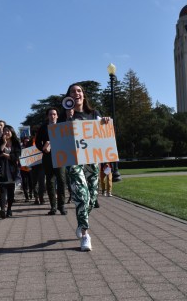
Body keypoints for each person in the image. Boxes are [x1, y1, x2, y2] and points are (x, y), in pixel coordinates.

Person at [63, 83, 111, 252]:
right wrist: (69, 118)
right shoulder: (67, 116)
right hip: (74, 162)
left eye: (79, 91)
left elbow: (103, 136)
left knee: (91, 198)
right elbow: (63, 140)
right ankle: (85, 235)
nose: (76, 93)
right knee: (82, 196)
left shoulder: (93, 114)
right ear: (68, 96)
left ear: (83, 95)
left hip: (92, 160)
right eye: (72, 91)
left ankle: (81, 222)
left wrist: (105, 122)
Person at [35, 107, 67, 215]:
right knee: (50, 181)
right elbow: (37, 142)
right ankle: (53, 207)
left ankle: (61, 205)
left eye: (54, 114)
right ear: (47, 116)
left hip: (61, 156)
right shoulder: (43, 128)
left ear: (57, 116)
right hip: (48, 157)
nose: (52, 116)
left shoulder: (63, 126)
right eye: (50, 114)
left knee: (62, 181)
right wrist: (43, 148)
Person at [0, 125, 21, 218]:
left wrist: (4, 154)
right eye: (5, 131)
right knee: (2, 191)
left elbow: (16, 156)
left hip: (12, 171)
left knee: (11, 193)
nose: (6, 132)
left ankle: (9, 208)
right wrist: (4, 143)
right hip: (2, 170)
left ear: (12, 132)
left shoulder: (16, 143)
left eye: (8, 131)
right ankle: (2, 210)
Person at [28, 135, 46, 205]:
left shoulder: (43, 142)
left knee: (41, 182)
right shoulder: (29, 143)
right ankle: (36, 198)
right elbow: (25, 153)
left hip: (42, 165)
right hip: (32, 166)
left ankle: (41, 197)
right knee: (34, 183)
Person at [19, 137, 33, 202]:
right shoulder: (21, 148)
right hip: (23, 168)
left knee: (31, 182)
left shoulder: (32, 148)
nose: (26, 142)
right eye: (25, 141)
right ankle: (26, 196)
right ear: (23, 142)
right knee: (24, 183)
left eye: (28, 141)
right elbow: (18, 156)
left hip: (30, 168)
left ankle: (30, 193)